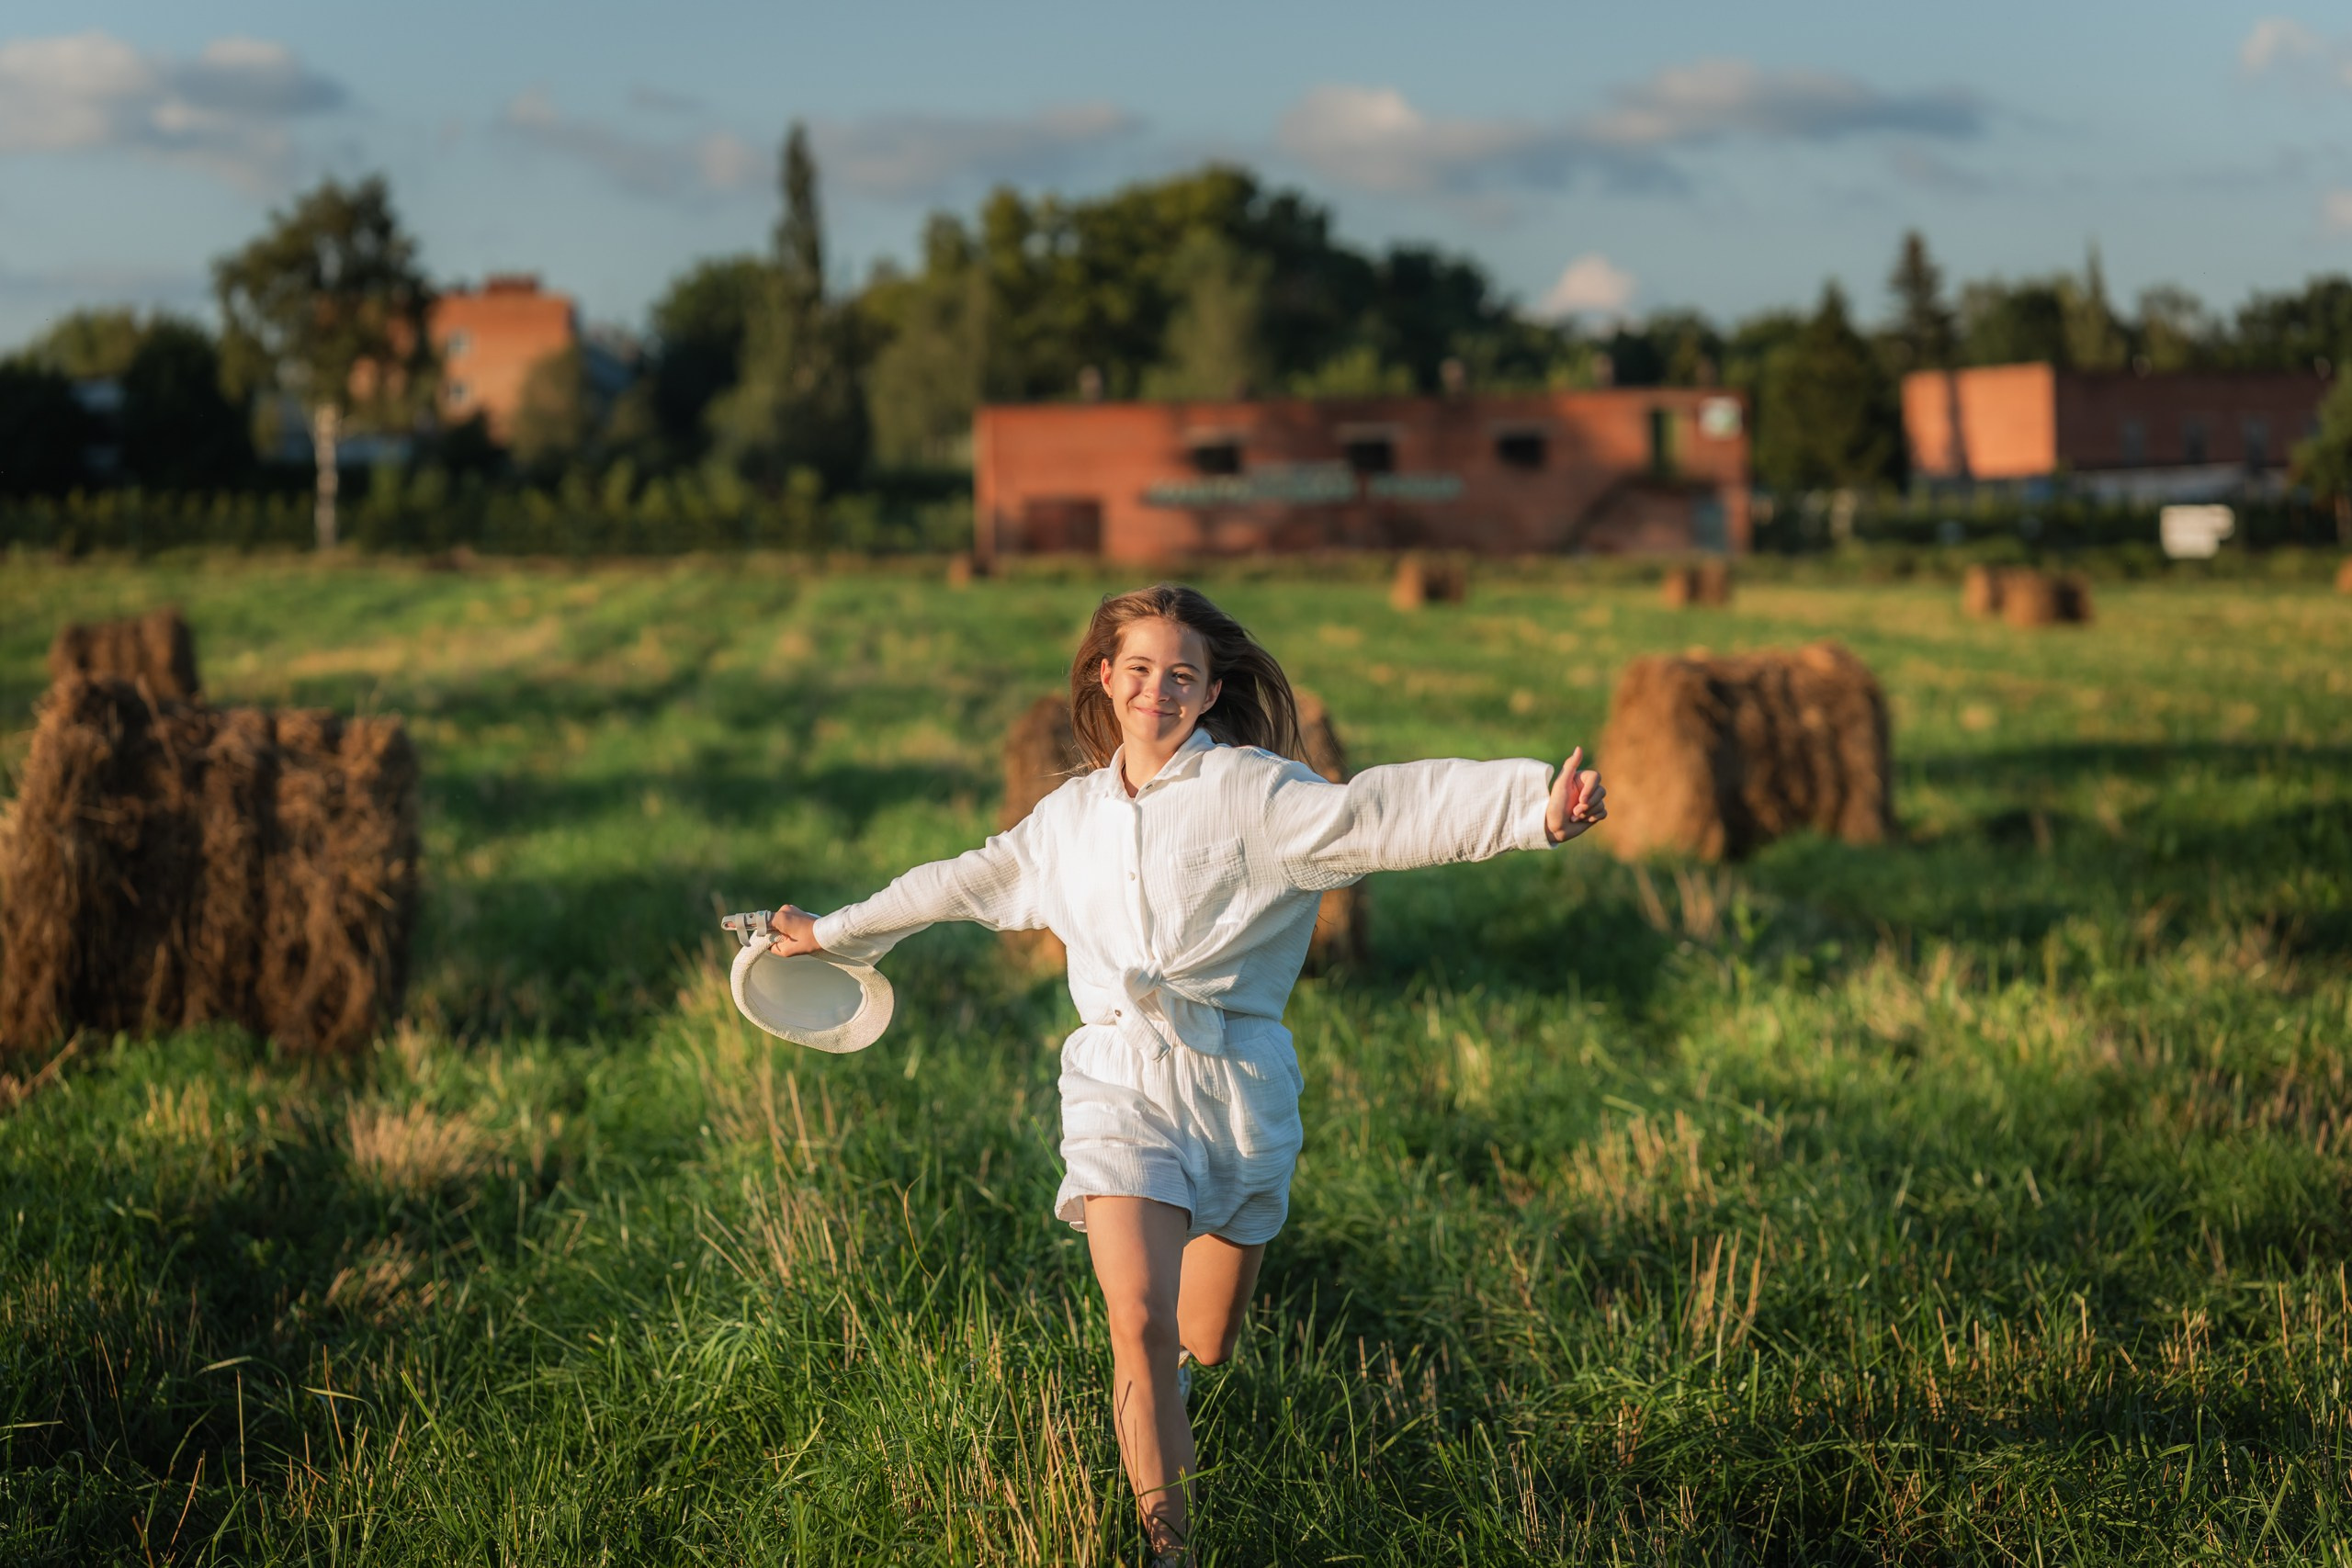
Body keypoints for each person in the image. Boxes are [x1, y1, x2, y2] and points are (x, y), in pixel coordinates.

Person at [763, 583, 1606, 1564]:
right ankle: (1170, 1546)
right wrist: (831, 933)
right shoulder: (1065, 819)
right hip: (1117, 1080)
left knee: (1203, 1342)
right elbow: (961, 880)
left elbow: (1382, 814)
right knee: (1138, 1320)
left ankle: (1179, 1391)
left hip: (1239, 1091)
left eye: (1181, 675)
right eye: (1138, 669)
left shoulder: (1258, 793)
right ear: (1103, 678)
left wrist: (1531, 809)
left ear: (1209, 693)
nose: (1156, 689)